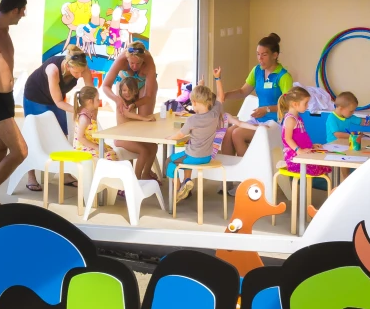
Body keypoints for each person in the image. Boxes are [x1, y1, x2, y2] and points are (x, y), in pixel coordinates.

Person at [215, 32, 293, 158]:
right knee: (228, 133)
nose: (260, 58)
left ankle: (247, 169)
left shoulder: (284, 76)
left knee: (237, 134)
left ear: (275, 55)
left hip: (275, 123)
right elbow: (242, 92)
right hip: (258, 120)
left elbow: (288, 106)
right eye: (258, 54)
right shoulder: (257, 71)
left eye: (264, 55)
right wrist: (225, 95)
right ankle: (229, 170)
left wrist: (267, 109)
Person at [0, 0, 28, 206]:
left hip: (7, 98)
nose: (23, 15)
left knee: (0, 148)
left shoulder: (4, 30)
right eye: (22, 11)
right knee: (20, 151)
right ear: (15, 10)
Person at [101, 41, 160, 182]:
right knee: (127, 119)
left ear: (143, 60)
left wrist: (136, 105)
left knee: (149, 138)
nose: (134, 67)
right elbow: (105, 86)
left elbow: (149, 96)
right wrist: (117, 99)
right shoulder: (121, 59)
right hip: (126, 84)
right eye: (131, 63)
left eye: (138, 64)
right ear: (126, 58)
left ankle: (145, 173)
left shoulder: (149, 62)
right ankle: (135, 178)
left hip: (143, 84)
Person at [172, 83, 226, 203]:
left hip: (193, 157)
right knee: (185, 157)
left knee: (170, 162)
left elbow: (180, 135)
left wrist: (170, 137)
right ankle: (187, 182)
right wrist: (217, 79)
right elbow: (220, 97)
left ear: (194, 102)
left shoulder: (192, 120)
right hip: (207, 157)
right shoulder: (214, 114)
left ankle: (179, 190)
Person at [22, 46, 89, 140]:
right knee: (39, 133)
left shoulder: (82, 67)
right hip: (36, 96)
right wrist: (79, 110)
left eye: (82, 71)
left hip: (56, 98)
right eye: (76, 72)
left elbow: (91, 92)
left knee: (62, 133)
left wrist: (90, 107)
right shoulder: (53, 70)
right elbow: (59, 102)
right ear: (67, 66)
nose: (80, 75)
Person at [279, 87, 329, 177]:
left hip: (301, 155)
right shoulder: (290, 119)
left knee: (324, 163)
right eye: (305, 103)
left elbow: (300, 138)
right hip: (294, 159)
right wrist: (299, 150)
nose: (307, 106)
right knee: (319, 167)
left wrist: (311, 146)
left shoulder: (298, 118)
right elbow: (287, 138)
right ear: (295, 104)